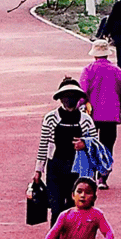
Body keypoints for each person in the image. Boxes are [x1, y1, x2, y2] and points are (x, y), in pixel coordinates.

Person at [33, 78, 99, 223]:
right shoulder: (50, 118)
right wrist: (38, 170)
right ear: (61, 98)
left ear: (78, 98)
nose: (70, 99)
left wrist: (85, 144)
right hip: (55, 167)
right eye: (66, 95)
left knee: (73, 208)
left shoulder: (86, 120)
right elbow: (43, 144)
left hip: (78, 170)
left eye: (73, 96)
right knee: (56, 209)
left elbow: (96, 147)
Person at [79, 41, 121, 188]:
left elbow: (83, 92)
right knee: (107, 145)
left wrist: (78, 107)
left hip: (91, 114)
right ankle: (103, 177)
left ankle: (91, 175)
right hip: (111, 114)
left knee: (90, 144)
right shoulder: (117, 70)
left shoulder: (88, 70)